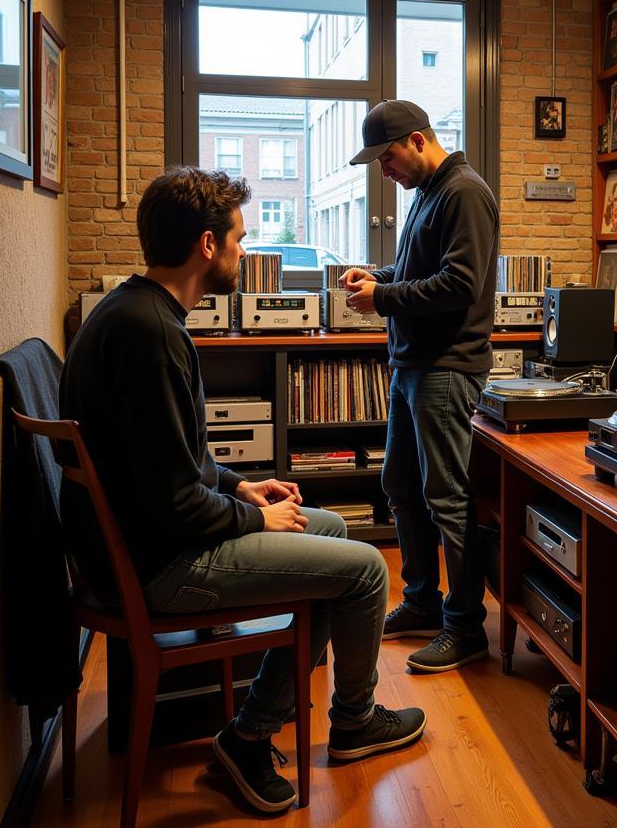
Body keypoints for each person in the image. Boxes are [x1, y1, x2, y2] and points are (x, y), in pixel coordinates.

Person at [59, 168, 425, 815]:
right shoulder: (154, 338)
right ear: (206, 244)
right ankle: (340, 723)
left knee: (332, 530)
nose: (243, 252)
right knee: (367, 569)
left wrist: (241, 486)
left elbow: (173, 461)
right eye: (238, 239)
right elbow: (174, 502)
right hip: (160, 567)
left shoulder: (133, 312)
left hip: (145, 545)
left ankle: (252, 729)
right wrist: (252, 521)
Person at [341, 100, 499, 674]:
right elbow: (419, 270)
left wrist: (381, 299)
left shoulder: (464, 192)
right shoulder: (429, 193)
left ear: (415, 140)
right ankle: (421, 603)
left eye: (386, 159)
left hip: (446, 369)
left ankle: (465, 629)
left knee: (448, 499)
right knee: (401, 486)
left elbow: (459, 284)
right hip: (412, 365)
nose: (384, 172)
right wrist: (378, 274)